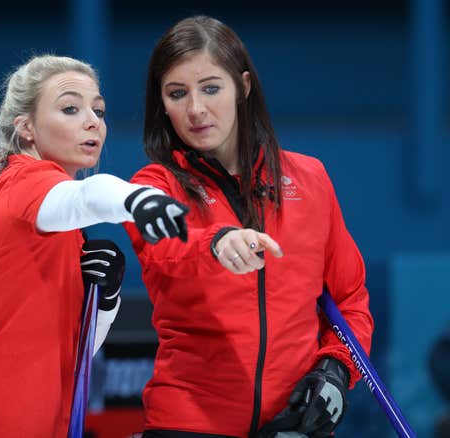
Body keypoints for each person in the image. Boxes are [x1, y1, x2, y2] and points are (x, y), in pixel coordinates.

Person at [0, 55, 189, 437]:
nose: (92, 120)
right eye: (70, 108)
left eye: (99, 110)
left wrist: (104, 303)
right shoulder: (24, 183)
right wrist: (136, 201)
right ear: (26, 128)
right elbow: (90, 195)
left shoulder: (49, 220)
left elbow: (72, 359)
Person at [123, 16, 374, 438]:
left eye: (211, 88)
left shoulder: (309, 178)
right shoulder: (152, 186)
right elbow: (164, 249)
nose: (196, 109)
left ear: (242, 86)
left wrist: (334, 371)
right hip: (190, 422)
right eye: (177, 94)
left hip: (294, 423)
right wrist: (217, 242)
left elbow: (350, 300)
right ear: (162, 104)